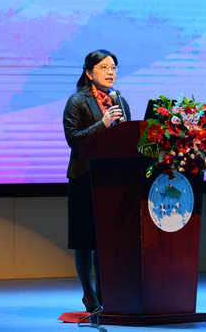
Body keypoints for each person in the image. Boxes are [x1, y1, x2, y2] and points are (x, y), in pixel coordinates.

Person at [62, 49, 131, 312]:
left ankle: (105, 293)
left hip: (113, 178)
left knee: (106, 241)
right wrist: (102, 124)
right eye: (104, 67)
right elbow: (73, 140)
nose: (110, 72)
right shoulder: (77, 101)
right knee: (85, 241)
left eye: (113, 67)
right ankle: (89, 295)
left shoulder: (120, 100)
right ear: (89, 73)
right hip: (84, 177)